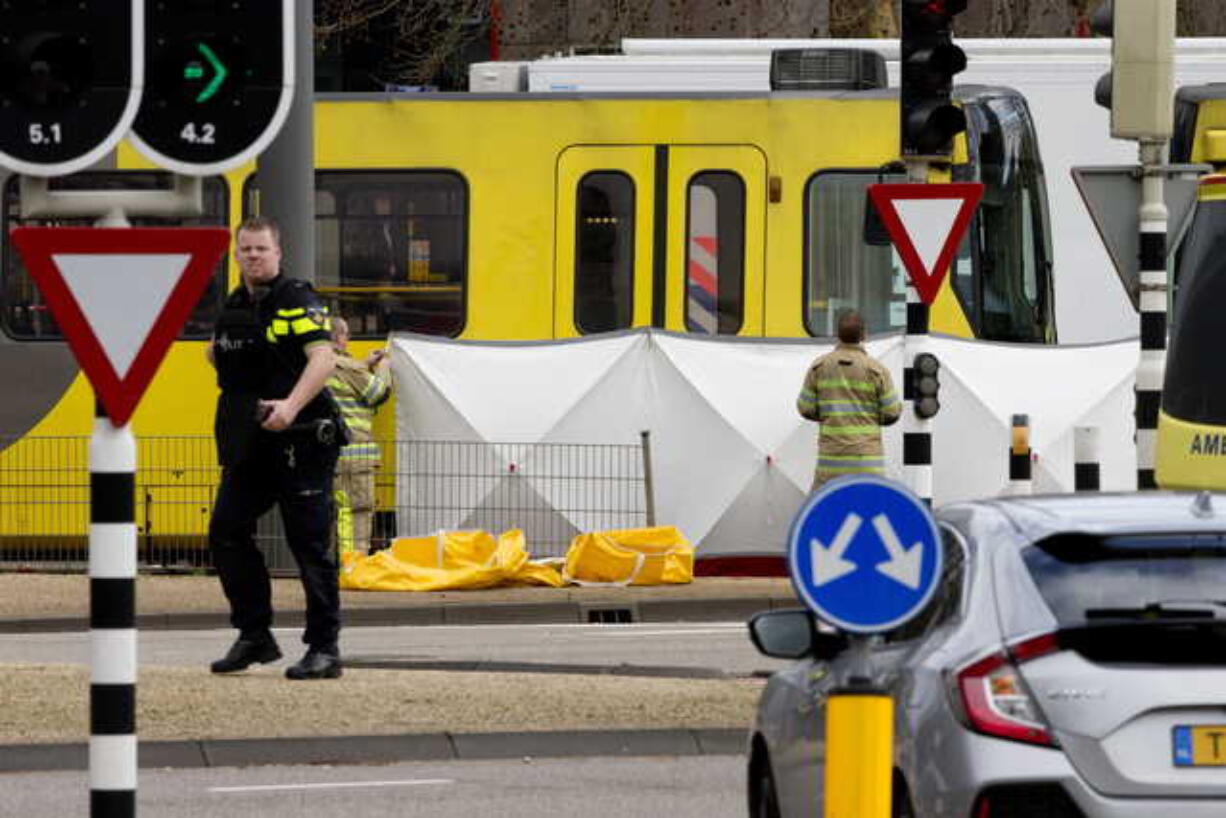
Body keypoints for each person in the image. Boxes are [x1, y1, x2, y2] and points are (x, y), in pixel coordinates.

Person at [206, 216, 344, 680]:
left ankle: (324, 648)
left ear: (278, 253)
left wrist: (290, 405)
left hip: (302, 442)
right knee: (225, 530)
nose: (252, 257)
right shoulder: (235, 302)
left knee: (309, 545)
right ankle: (254, 635)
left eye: (261, 249)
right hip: (252, 442)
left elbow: (323, 358)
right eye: (245, 250)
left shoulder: (297, 299)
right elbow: (218, 352)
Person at [796, 309, 901, 491]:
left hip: (830, 462)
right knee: (868, 510)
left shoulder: (819, 367)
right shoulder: (877, 370)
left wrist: (828, 415)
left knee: (828, 510)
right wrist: (872, 417)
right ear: (864, 335)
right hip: (868, 463)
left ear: (838, 334)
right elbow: (892, 412)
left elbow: (805, 408)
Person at [326, 316, 392, 556]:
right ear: (336, 337)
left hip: (328, 456)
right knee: (358, 510)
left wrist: (364, 364)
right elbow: (378, 392)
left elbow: (347, 381)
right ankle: (354, 564)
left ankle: (329, 566)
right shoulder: (346, 367)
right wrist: (384, 366)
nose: (349, 339)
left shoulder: (316, 364)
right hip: (354, 457)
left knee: (330, 512)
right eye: (346, 334)